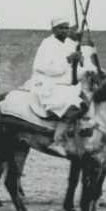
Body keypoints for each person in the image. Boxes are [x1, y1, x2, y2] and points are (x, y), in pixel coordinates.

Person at [24, 17, 90, 150]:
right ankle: (57, 141)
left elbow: (74, 72)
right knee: (71, 106)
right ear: (53, 29)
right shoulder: (47, 44)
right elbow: (45, 68)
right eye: (61, 28)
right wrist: (68, 59)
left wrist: (82, 65)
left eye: (66, 28)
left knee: (88, 103)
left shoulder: (70, 44)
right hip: (48, 84)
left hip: (67, 86)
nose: (64, 31)